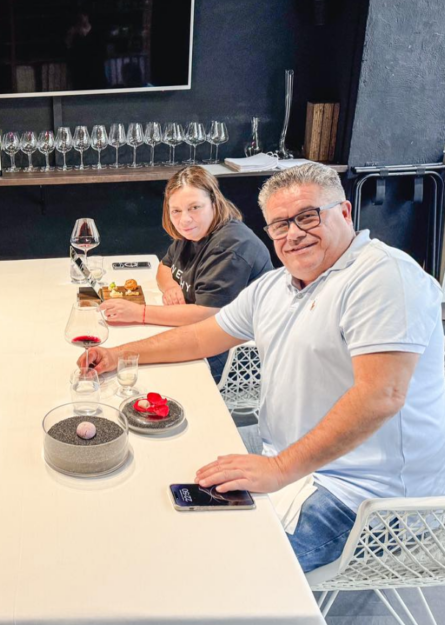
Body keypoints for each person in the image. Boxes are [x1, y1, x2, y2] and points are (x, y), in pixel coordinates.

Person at [83, 163, 445, 572]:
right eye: (279, 225)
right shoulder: (277, 286)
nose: (293, 234)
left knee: (231, 570)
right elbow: (202, 336)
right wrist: (119, 354)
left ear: (345, 213)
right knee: (160, 481)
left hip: (363, 496)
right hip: (287, 458)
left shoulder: (383, 277)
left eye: (308, 216)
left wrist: (277, 469)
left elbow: (381, 395)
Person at [100, 166, 272, 381]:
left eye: (194, 207)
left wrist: (139, 313)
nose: (185, 219)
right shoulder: (193, 234)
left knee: (142, 377)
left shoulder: (230, 245)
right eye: (176, 211)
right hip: (199, 333)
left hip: (235, 355)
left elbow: (206, 313)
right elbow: (164, 266)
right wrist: (171, 287)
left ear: (214, 202)